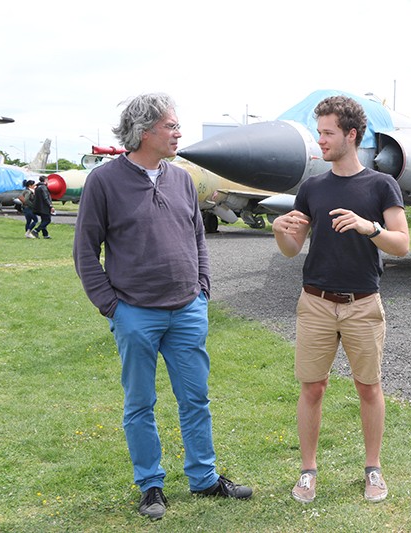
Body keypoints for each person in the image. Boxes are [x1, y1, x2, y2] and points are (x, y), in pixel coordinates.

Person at [73, 93, 252, 521]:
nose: (179, 133)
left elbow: (197, 239)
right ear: (145, 131)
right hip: (134, 313)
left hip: (188, 309)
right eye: (171, 126)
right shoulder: (104, 182)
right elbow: (85, 252)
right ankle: (151, 485)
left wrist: (202, 288)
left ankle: (204, 479)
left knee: (196, 399)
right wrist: (112, 307)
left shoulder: (183, 179)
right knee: (140, 403)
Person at [272, 95, 409, 504]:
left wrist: (369, 228)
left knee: (369, 388)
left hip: (363, 304)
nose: (320, 141)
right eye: (319, 133)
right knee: (312, 388)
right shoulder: (312, 187)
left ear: (351, 135)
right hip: (314, 302)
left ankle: (373, 469)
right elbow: (291, 249)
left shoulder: (382, 185)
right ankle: (308, 471)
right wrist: (281, 229)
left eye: (327, 133)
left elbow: (401, 244)